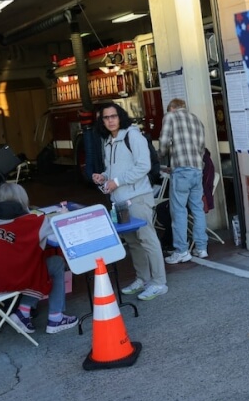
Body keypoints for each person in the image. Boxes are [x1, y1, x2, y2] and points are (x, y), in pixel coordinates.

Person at [0, 183, 77, 334]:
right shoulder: (31, 222)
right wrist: (63, 214)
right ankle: (56, 317)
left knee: (33, 263)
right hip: (8, 280)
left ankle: (23, 311)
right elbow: (58, 225)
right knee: (55, 263)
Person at [91, 101, 168, 301]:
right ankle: (143, 279)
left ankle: (159, 282)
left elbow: (143, 166)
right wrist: (103, 176)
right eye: (106, 117)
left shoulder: (133, 136)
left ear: (121, 116)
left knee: (147, 239)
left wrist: (116, 181)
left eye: (113, 116)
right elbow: (115, 169)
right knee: (133, 242)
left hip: (138, 197)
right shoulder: (108, 140)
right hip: (120, 202)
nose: (110, 120)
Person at [158, 98, 207, 263]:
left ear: (171, 108)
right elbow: (201, 147)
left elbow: (164, 143)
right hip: (197, 169)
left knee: (178, 211)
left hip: (181, 170)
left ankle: (181, 251)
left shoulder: (170, 117)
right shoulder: (197, 120)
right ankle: (201, 248)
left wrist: (161, 156)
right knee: (197, 209)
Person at [156, 148, 215, 252]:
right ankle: (201, 247)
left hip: (195, 194)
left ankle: (181, 248)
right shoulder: (202, 158)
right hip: (201, 195)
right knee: (197, 211)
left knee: (174, 211)